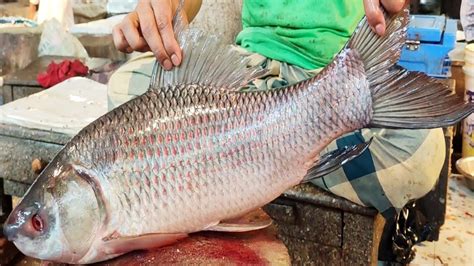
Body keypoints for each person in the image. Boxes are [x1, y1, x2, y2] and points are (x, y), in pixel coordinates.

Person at [109, 0, 445, 219]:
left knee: (418, 149)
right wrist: (164, 7)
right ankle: (286, 146)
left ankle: (238, 163)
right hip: (250, 75)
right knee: (123, 91)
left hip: (328, 80)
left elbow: (394, 5)